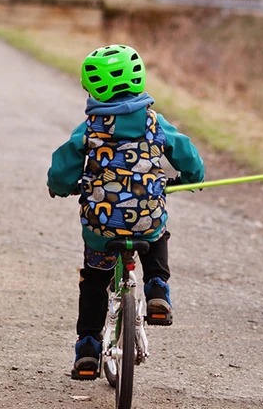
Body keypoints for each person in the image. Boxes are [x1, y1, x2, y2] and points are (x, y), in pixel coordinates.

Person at [47, 44, 204, 380]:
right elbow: (187, 155)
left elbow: (62, 171)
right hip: (146, 219)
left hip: (102, 229)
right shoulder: (155, 122)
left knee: (94, 280)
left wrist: (60, 188)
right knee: (157, 231)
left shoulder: (89, 128)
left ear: (92, 88)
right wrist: (192, 178)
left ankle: (88, 348)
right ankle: (158, 287)